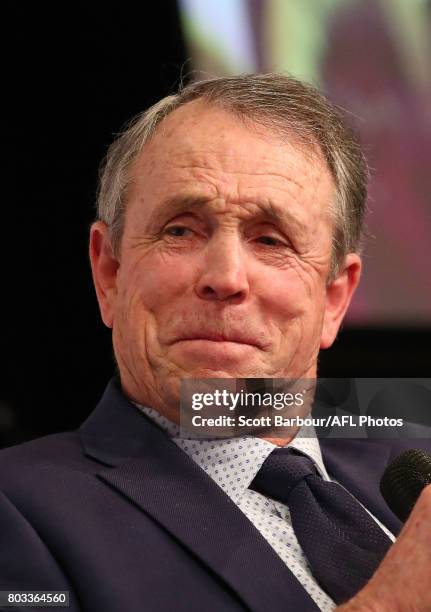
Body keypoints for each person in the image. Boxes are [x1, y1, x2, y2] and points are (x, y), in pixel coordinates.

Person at [0, 74, 430, 612]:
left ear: (335, 299)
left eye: (271, 240)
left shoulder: (414, 470)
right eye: (181, 230)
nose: (225, 277)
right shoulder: (19, 510)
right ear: (109, 273)